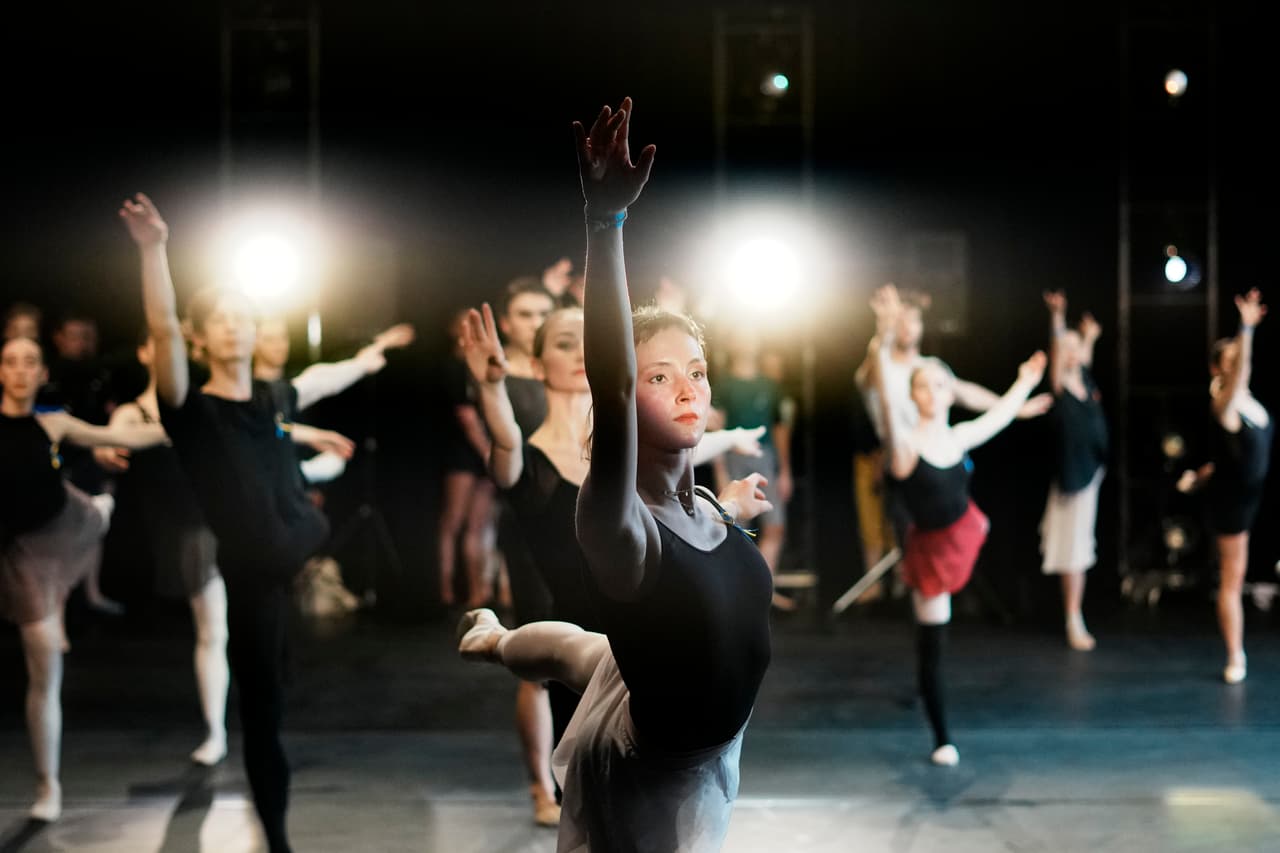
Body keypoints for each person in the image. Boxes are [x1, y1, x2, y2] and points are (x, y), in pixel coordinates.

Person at [460, 97, 774, 851]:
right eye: (659, 377)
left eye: (696, 371)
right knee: (580, 652)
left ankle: (498, 639)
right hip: (653, 780)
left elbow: (698, 558)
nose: (689, 387)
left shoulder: (697, 503)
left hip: (690, 720)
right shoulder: (616, 520)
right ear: (626, 395)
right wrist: (607, 223)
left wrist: (726, 509)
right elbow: (610, 379)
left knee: (582, 650)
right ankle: (498, 643)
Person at [122, 192, 331, 853]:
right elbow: (160, 329)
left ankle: (276, 833)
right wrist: (156, 249)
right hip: (252, 571)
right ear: (202, 335)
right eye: (223, 320)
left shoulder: (273, 395)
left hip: (290, 539)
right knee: (264, 715)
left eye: (246, 317)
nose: (237, 328)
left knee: (302, 519)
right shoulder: (193, 411)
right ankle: (277, 838)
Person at [94, 331, 353, 768]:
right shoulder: (139, 411)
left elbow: (258, 421)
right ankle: (216, 731)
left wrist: (308, 431)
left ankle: (308, 477)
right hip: (195, 526)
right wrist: (102, 446)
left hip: (245, 520)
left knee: (251, 615)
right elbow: (122, 433)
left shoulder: (208, 403)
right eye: (156, 344)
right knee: (213, 631)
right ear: (143, 352)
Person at [872, 286, 1047, 767]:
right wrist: (886, 338)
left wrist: (1025, 383)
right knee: (934, 648)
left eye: (939, 384)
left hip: (962, 532)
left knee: (971, 519)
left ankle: (939, 725)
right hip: (930, 552)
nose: (933, 391)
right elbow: (888, 400)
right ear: (915, 396)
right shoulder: (906, 446)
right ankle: (942, 737)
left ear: (949, 392)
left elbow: (1000, 416)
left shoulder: (958, 436)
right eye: (922, 386)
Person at [1, 335, 165, 821]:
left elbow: (124, 438)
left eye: (31, 363)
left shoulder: (53, 423)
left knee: (48, 665)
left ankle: (48, 783)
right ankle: (45, 778)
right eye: (10, 362)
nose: (20, 371)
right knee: (41, 667)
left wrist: (183, 425)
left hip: (59, 525)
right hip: (18, 551)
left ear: (42, 373)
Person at [1177, 289, 1270, 684]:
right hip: (1232, 505)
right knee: (1233, 579)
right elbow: (1239, 373)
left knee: (1240, 574)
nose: (1240, 367)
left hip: (1247, 495)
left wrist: (1200, 474)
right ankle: (1236, 654)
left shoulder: (1246, 401)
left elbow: (1228, 456)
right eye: (1231, 363)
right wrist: (1245, 328)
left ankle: (1237, 650)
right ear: (1218, 370)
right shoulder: (1224, 402)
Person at [1040, 291, 1108, 651]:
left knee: (1081, 548)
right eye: (1066, 347)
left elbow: (1084, 359)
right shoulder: (1061, 386)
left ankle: (1075, 614)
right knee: (1073, 551)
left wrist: (1089, 338)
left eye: (1076, 347)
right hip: (1072, 481)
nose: (1072, 351)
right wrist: (1058, 319)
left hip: (1091, 477)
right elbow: (1058, 356)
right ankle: (1073, 617)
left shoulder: (1085, 381)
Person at [712, 325, 795, 609]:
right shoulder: (723, 384)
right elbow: (716, 427)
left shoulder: (769, 385)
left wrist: (785, 471)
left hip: (765, 457)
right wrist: (720, 468)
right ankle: (739, 592)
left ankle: (764, 588)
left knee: (775, 525)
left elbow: (780, 429)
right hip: (735, 457)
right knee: (736, 528)